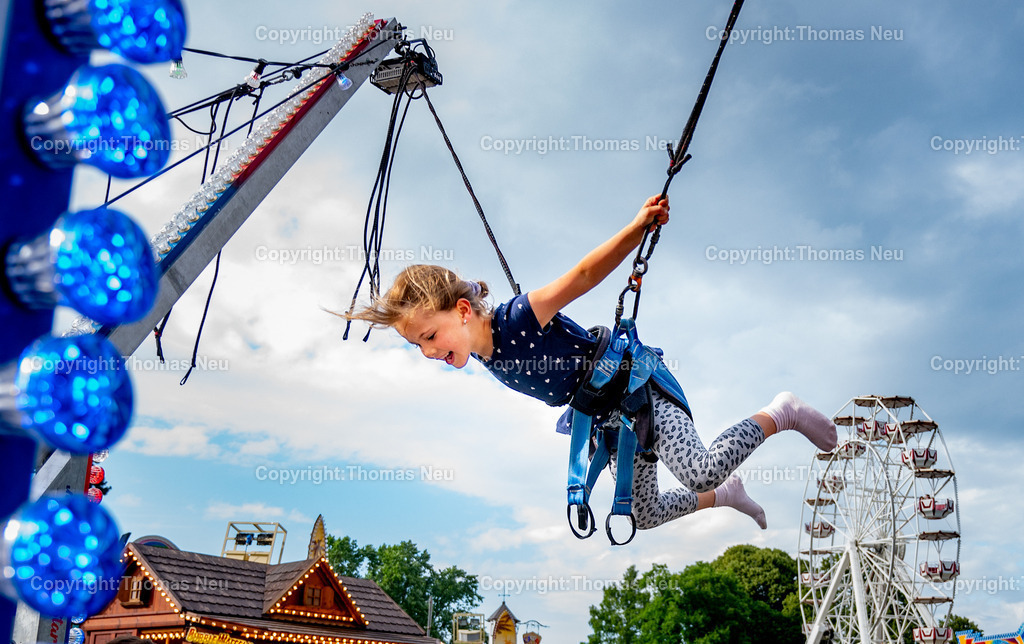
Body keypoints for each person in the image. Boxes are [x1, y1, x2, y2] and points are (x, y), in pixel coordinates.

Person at [344, 195, 837, 532]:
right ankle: (728, 496)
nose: (429, 352)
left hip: (634, 388)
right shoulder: (482, 354)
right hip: (609, 419)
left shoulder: (518, 317)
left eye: (430, 336)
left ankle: (782, 412)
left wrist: (636, 227)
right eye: (418, 346)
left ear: (464, 310)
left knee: (698, 469)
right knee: (641, 515)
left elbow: (581, 276)